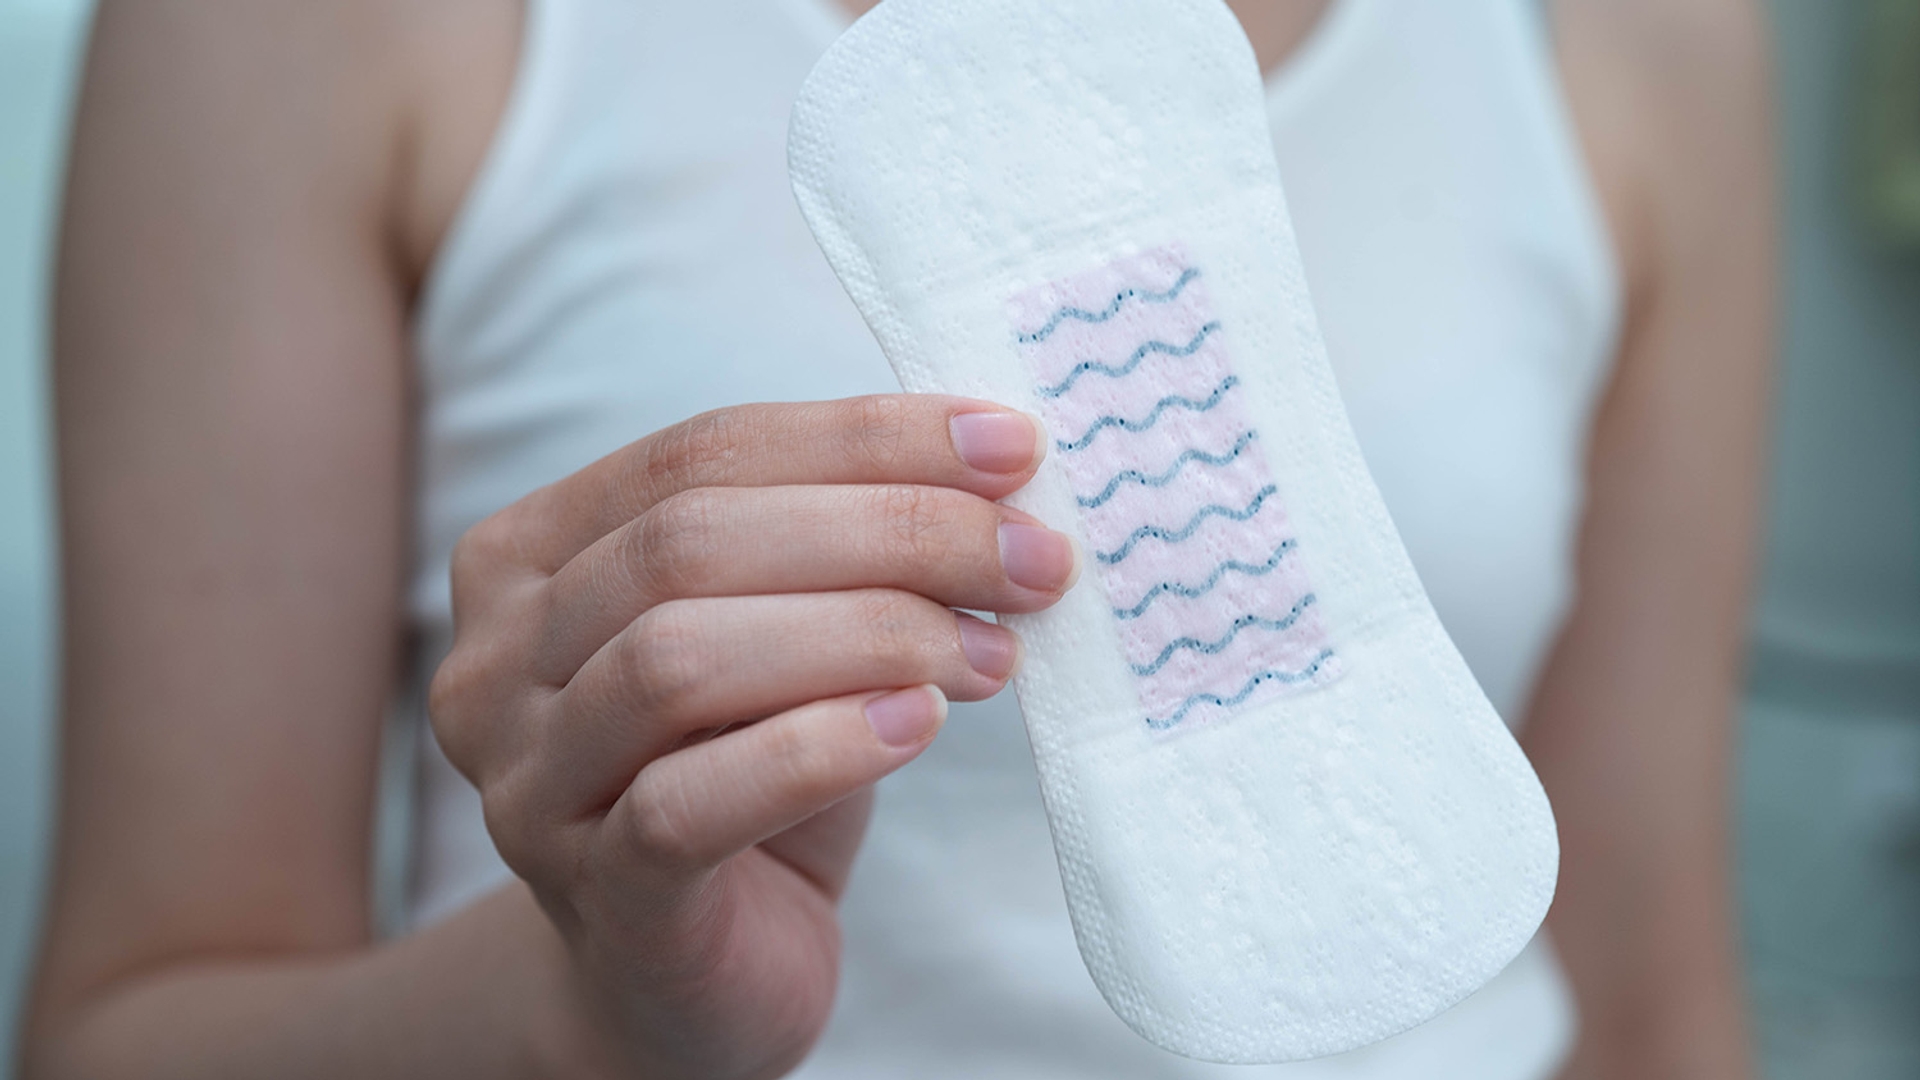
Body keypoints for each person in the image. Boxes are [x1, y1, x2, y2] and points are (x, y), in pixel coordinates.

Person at [20, 0, 1773, 1077]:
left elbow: (1647, 997)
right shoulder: (315, 33)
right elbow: (126, 1026)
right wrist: (592, 1015)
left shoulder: (1633, 44)